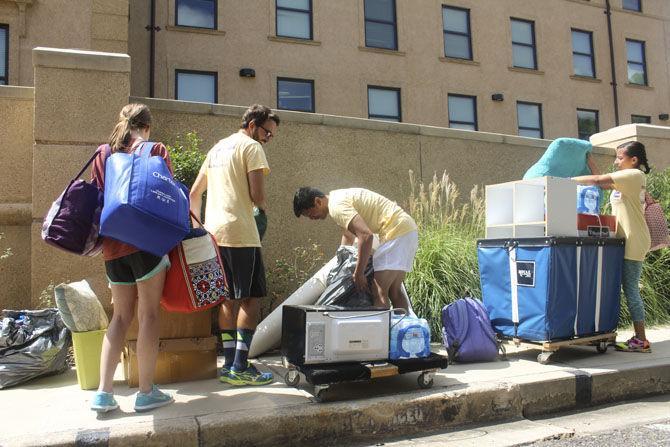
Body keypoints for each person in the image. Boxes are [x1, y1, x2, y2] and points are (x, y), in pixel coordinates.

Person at [90, 103, 174, 412]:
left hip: (112, 246)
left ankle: (103, 393)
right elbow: (166, 195)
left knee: (120, 317)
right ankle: (146, 392)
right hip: (147, 243)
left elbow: (99, 195)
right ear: (147, 127)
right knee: (149, 315)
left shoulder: (103, 153)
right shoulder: (156, 149)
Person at [190, 104, 279, 385]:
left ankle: (229, 365)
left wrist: (199, 231)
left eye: (271, 136)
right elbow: (257, 195)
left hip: (214, 235)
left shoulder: (217, 148)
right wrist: (263, 209)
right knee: (250, 299)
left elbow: (194, 193)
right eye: (266, 132)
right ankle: (241, 366)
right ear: (253, 124)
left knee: (226, 301)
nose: (267, 138)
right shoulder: (251, 148)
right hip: (241, 234)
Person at [573, 141, 652, 353]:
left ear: (633, 160)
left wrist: (564, 181)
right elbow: (603, 183)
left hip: (634, 240)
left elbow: (599, 180)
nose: (616, 162)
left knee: (631, 289)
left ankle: (641, 340)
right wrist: (590, 162)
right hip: (623, 240)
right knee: (618, 287)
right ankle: (609, 332)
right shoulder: (625, 180)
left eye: (620, 158)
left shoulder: (634, 176)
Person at [293, 187, 418, 310]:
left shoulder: (337, 207)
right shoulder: (338, 198)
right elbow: (348, 235)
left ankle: (379, 330)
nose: (312, 218)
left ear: (317, 202)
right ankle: (406, 329)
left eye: (310, 213)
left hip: (395, 232)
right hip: (407, 229)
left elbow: (366, 236)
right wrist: (340, 263)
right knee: (394, 291)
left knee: (378, 290)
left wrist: (359, 273)